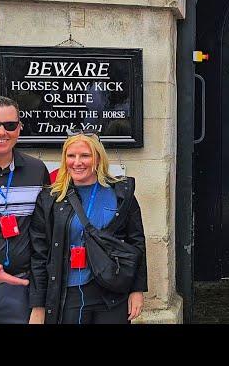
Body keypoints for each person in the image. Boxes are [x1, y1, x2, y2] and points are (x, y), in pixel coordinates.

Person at [29, 132, 147, 324]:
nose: (77, 162)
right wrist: (39, 305)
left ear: (98, 158)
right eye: (71, 156)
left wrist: (137, 290)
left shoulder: (121, 195)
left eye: (85, 155)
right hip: (68, 294)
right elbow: (40, 254)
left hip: (112, 291)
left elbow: (136, 244)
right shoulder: (50, 198)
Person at [0, 95, 50, 324]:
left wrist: (39, 300)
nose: (1, 132)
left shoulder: (37, 170)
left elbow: (44, 234)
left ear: (20, 128)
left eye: (10, 125)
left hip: (20, 289)